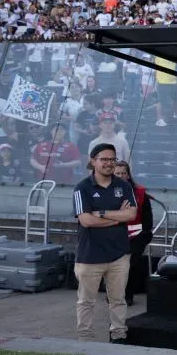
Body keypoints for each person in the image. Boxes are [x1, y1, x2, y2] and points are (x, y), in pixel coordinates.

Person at [71, 143, 137, 343]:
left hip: (119, 255)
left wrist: (101, 213)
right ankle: (85, 339)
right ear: (93, 161)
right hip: (90, 256)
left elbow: (131, 214)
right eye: (104, 159)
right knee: (85, 301)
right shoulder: (82, 188)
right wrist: (118, 218)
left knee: (118, 300)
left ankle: (118, 335)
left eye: (112, 159)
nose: (109, 163)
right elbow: (86, 220)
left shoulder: (123, 186)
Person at [114, 160, 154, 306]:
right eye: (117, 173)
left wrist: (145, 234)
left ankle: (127, 296)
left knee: (129, 264)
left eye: (123, 173)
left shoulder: (140, 194)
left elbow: (147, 219)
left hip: (137, 236)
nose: (121, 175)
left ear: (129, 175)